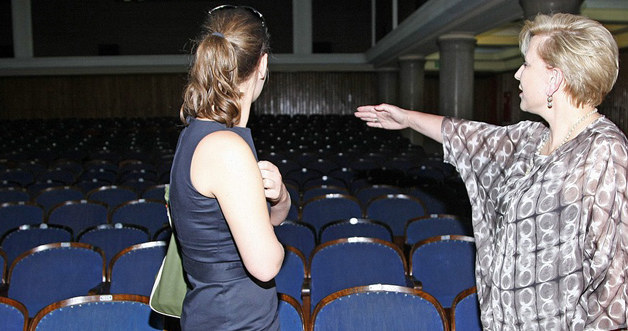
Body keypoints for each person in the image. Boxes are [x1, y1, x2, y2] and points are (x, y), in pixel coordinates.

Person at [356, 13, 627, 331]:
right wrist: (407, 118)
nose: (518, 74)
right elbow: (470, 137)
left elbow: (616, 279)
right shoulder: (532, 137)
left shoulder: (604, 151)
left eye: (527, 65)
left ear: (554, 79)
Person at [168, 5, 290, 330]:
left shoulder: (200, 133)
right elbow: (265, 265)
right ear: (262, 64)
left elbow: (256, 225)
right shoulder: (227, 148)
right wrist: (280, 250)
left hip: (218, 312)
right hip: (234, 319)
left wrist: (280, 198)